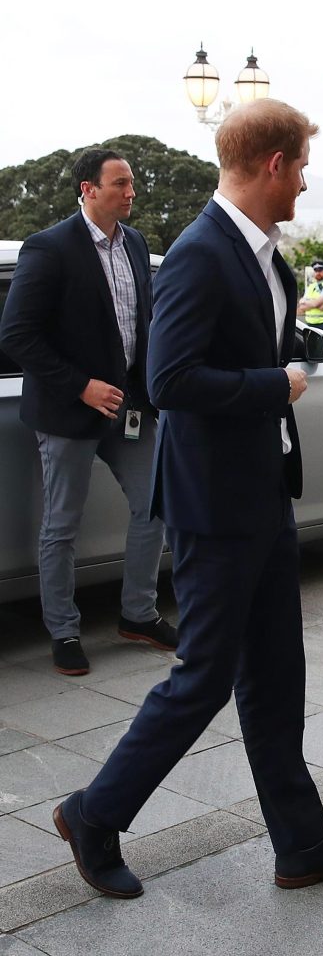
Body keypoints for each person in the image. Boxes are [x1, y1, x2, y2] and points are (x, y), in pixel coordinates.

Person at [51, 100, 323, 899]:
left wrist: (289, 353)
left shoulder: (264, 257)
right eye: (303, 168)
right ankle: (94, 812)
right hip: (216, 505)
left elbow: (250, 342)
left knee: (277, 674)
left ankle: (302, 843)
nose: (306, 183)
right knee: (204, 675)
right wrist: (274, 383)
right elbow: (169, 380)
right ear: (273, 163)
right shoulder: (203, 253)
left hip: (264, 492)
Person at [0, 149, 177, 677]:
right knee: (62, 526)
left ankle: (138, 614)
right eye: (120, 183)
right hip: (67, 412)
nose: (131, 192)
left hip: (130, 411)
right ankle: (64, 630)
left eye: (131, 183)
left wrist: (150, 391)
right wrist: (81, 387)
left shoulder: (137, 243)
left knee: (155, 506)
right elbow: (17, 334)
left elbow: (141, 325)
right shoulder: (48, 248)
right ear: (87, 189)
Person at [297, 259, 323, 333]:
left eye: (320, 270)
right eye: (316, 270)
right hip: (309, 324)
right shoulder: (311, 287)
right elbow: (302, 307)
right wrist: (317, 305)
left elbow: (316, 303)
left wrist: (307, 303)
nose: (318, 273)